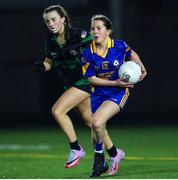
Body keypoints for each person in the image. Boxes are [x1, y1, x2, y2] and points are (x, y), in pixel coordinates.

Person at [35, 5, 116, 169]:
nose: (50, 23)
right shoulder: (50, 40)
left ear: (63, 19)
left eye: (54, 19)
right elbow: (50, 60)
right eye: (47, 21)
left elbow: (100, 44)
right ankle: (115, 153)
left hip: (85, 81)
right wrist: (43, 66)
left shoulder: (79, 35)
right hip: (70, 84)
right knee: (90, 121)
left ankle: (76, 149)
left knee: (57, 111)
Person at [82, 14, 147, 177]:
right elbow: (91, 79)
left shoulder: (119, 46)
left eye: (99, 28)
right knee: (97, 127)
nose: (95, 32)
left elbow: (131, 54)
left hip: (118, 92)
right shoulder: (88, 52)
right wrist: (115, 82)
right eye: (92, 28)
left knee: (96, 122)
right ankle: (114, 155)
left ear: (108, 31)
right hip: (98, 93)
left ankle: (99, 159)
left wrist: (141, 66)